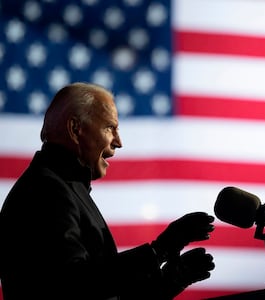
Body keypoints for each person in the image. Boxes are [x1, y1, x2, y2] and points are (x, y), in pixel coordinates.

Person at [0, 82, 215, 300]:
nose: (119, 142)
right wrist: (159, 251)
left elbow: (99, 292)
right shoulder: (45, 190)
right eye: (110, 128)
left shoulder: (64, 187)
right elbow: (74, 285)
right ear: (75, 129)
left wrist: (170, 279)